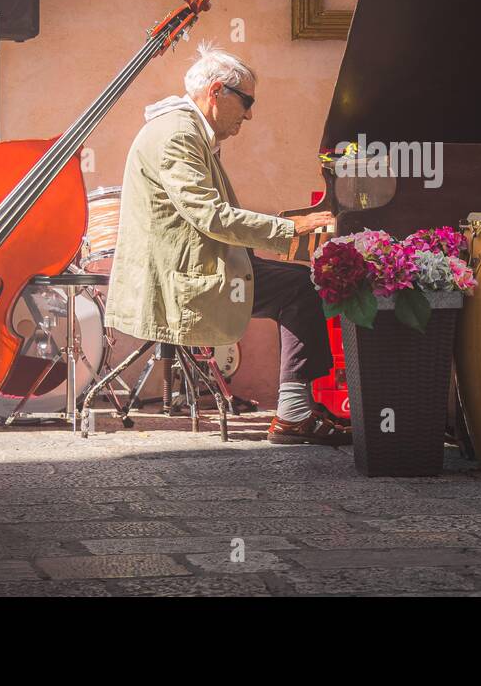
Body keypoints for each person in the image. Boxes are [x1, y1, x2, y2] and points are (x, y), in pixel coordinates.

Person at [104, 41, 348, 446]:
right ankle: (294, 415)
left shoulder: (186, 130)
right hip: (179, 283)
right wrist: (291, 230)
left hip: (192, 269)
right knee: (300, 289)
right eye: (246, 101)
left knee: (297, 286)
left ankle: (296, 411)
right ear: (217, 91)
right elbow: (210, 216)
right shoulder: (177, 136)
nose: (249, 114)